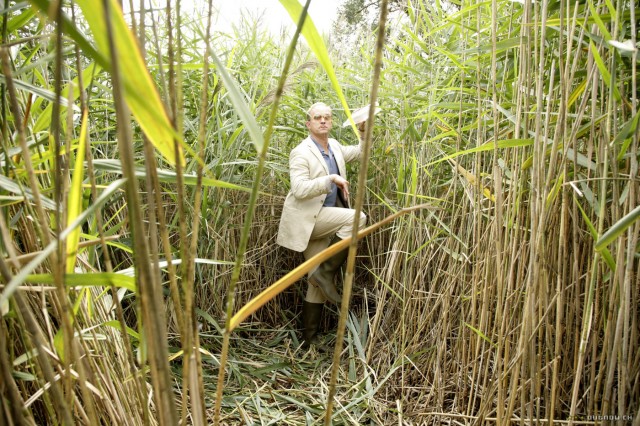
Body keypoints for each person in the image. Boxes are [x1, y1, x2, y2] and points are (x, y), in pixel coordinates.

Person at [277, 102, 368, 349]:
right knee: (358, 219)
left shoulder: (335, 146)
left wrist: (363, 132)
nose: (323, 121)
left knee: (315, 285)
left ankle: (310, 340)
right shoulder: (301, 152)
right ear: (309, 124)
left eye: (327, 117)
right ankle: (326, 272)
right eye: (318, 118)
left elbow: (361, 152)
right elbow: (299, 189)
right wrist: (330, 179)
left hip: (323, 220)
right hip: (308, 221)